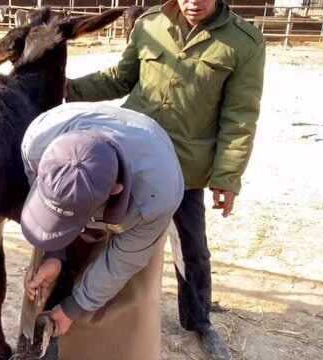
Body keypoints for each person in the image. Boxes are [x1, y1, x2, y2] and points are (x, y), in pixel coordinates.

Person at [64, 0, 266, 358]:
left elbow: (240, 116)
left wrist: (227, 177)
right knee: (98, 233)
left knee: (191, 248)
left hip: (183, 169)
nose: (193, 1)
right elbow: (120, 78)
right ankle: (79, 307)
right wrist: (67, 88)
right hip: (130, 155)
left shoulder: (243, 42)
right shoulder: (149, 24)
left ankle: (199, 320)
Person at [20, 101, 184, 360]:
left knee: (127, 302)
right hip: (83, 175)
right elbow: (50, 208)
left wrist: (74, 308)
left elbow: (123, 261)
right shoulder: (38, 141)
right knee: (48, 281)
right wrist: (54, 253)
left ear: (115, 190)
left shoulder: (157, 194)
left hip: (138, 200)